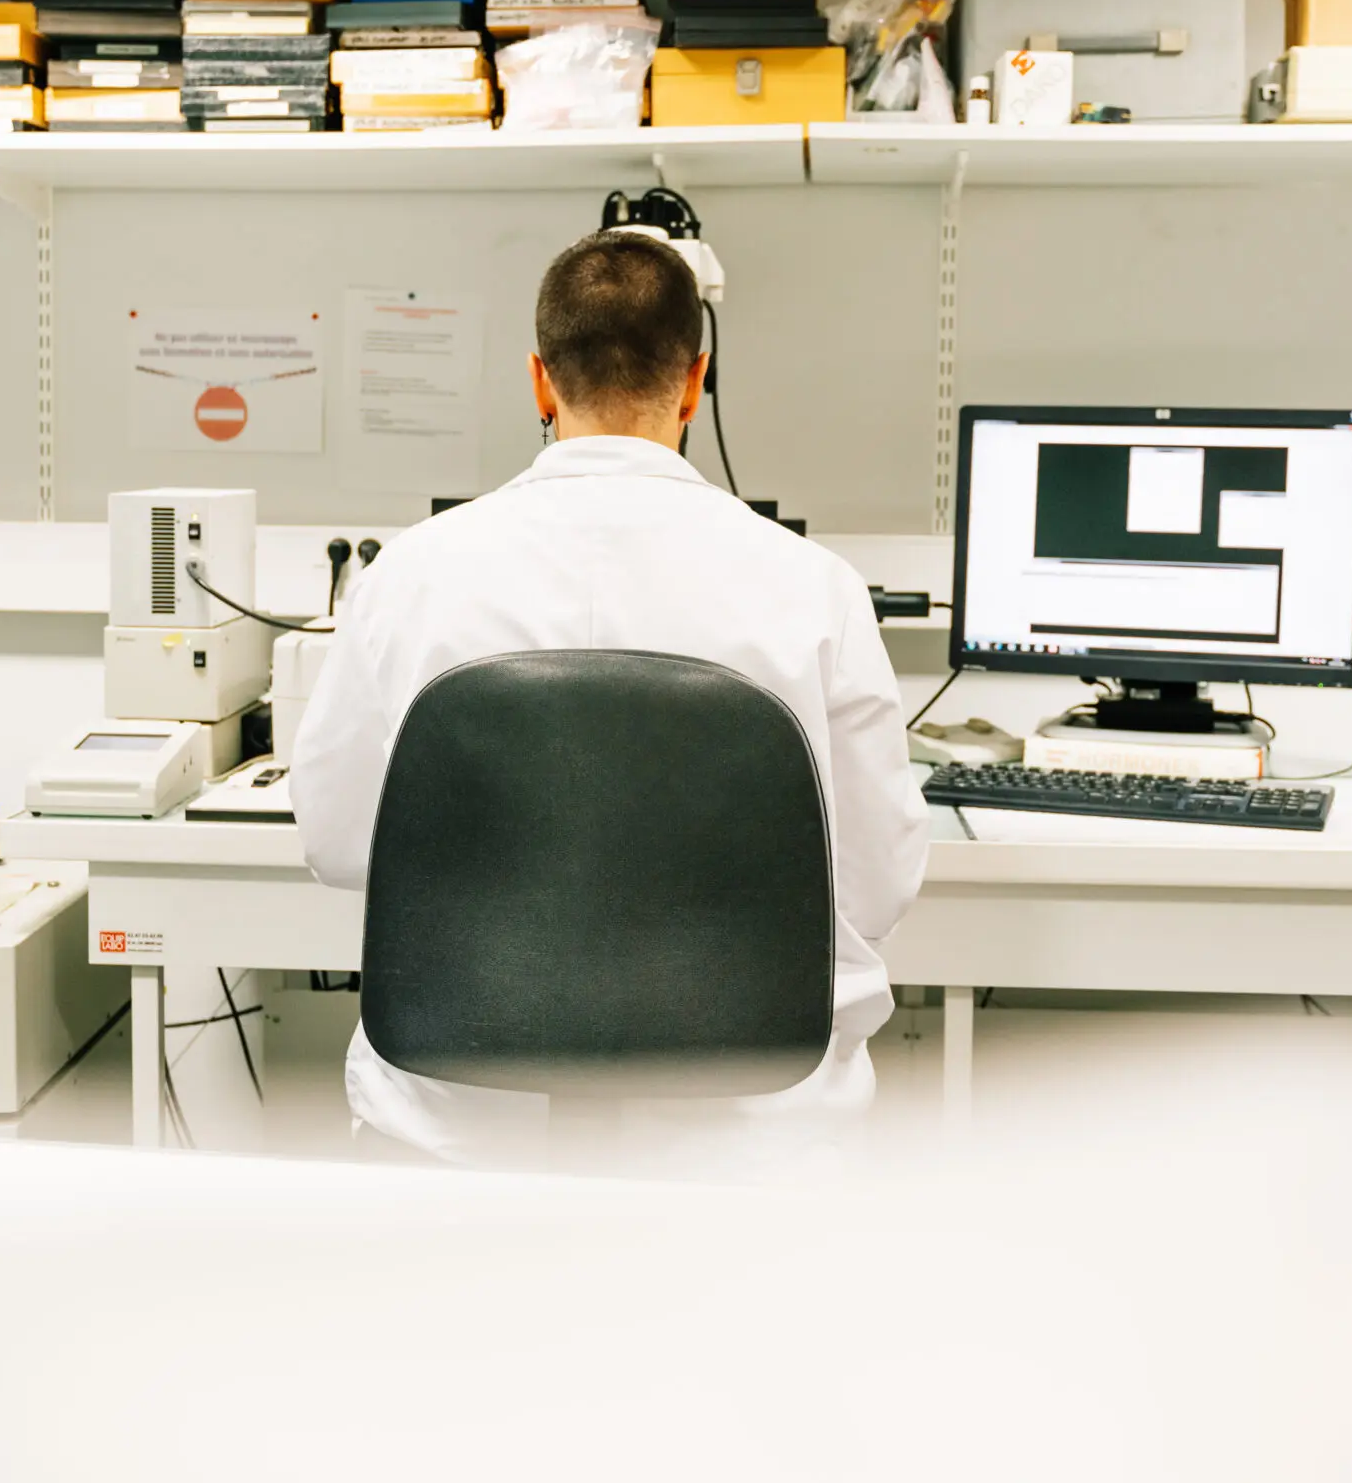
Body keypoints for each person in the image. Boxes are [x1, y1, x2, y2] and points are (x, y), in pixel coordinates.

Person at [290, 231, 931, 1164]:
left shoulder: (410, 576)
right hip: (748, 1146)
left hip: (461, 1140)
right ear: (695, 379)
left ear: (541, 381)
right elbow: (874, 887)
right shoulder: (814, 588)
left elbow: (339, 845)